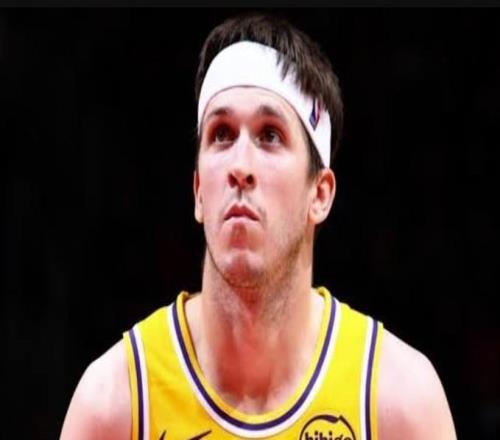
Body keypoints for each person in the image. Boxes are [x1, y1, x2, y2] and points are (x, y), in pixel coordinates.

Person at [60, 12, 457, 440]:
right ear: (198, 190)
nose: (240, 166)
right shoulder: (113, 406)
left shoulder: (399, 404)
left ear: (320, 194)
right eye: (221, 134)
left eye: (270, 136)